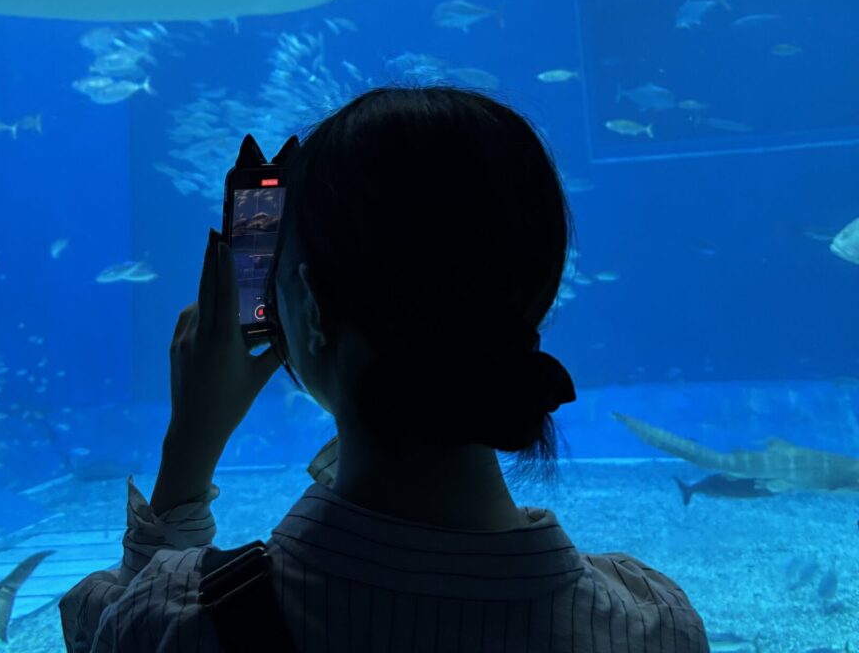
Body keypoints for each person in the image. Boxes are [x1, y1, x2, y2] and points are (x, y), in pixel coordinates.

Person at [60, 86, 709, 652]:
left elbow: (117, 624)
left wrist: (189, 449)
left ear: (308, 310)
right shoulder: (658, 624)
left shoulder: (182, 620)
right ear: (538, 290)